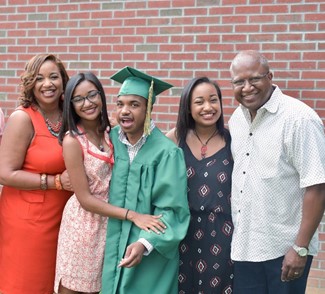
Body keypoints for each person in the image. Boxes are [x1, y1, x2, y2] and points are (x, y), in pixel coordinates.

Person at [54, 72, 166, 294]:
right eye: (78, 99)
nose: (87, 103)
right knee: (75, 287)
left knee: (104, 287)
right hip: (83, 227)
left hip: (111, 225)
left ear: (101, 95)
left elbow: (145, 136)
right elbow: (85, 199)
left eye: (92, 95)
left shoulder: (113, 131)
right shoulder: (72, 141)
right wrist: (133, 215)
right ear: (70, 104)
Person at [228, 50, 325, 293]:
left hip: (284, 251)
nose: (247, 87)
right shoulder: (236, 121)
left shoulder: (299, 119)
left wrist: (300, 248)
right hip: (244, 247)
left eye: (255, 79)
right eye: (239, 82)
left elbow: (317, 186)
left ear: (270, 76)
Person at [101, 66, 190, 294]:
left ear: (149, 107)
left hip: (149, 253)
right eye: (120, 104)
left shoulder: (166, 153)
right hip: (109, 244)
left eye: (134, 104)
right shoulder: (110, 140)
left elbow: (172, 210)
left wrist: (144, 243)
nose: (125, 111)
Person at [0, 54, 73, 294]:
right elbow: (4, 173)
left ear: (63, 81)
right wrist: (55, 182)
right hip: (28, 222)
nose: (47, 83)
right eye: (39, 78)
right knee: (28, 284)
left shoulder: (70, 116)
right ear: (30, 83)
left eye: (54, 77)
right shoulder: (23, 118)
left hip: (63, 218)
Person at [166, 77, 234, 293]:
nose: (208, 107)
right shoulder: (174, 139)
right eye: (199, 102)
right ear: (187, 107)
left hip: (223, 235)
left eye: (213, 100)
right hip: (183, 233)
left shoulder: (234, 141)